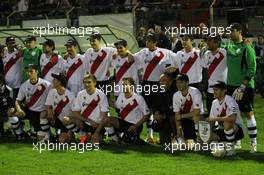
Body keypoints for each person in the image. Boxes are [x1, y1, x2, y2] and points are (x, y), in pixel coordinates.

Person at [134, 33, 176, 143]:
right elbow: (132, 57)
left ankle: (167, 133)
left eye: (149, 41)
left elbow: (178, 57)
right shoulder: (143, 52)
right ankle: (149, 135)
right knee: (147, 109)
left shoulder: (165, 52)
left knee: (159, 109)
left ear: (155, 42)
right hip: (146, 84)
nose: (147, 43)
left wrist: (173, 68)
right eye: (146, 41)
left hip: (159, 84)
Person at [226, 23, 257, 153]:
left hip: (244, 86)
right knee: (234, 114)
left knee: (248, 114)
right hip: (231, 85)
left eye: (232, 31)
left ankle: (253, 143)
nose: (230, 33)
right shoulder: (228, 45)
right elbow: (216, 46)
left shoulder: (247, 47)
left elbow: (252, 68)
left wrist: (243, 85)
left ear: (239, 31)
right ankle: (238, 141)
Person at [94, 77, 149, 144]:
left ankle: (132, 137)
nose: (124, 87)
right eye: (123, 85)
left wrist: (136, 126)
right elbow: (116, 106)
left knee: (129, 142)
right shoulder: (121, 95)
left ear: (131, 86)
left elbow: (146, 115)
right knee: (106, 120)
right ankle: (115, 139)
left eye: (126, 85)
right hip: (123, 122)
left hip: (134, 125)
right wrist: (106, 97)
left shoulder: (139, 98)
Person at [207, 81, 244, 157]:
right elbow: (212, 121)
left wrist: (216, 118)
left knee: (227, 123)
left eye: (216, 90)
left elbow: (232, 118)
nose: (214, 92)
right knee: (207, 136)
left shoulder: (230, 100)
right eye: (213, 90)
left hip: (237, 131)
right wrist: (210, 133)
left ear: (224, 90)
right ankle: (221, 147)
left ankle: (231, 149)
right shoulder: (214, 103)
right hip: (226, 131)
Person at [15, 64, 51, 140]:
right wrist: (19, 109)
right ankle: (20, 133)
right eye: (28, 71)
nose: (29, 73)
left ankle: (47, 133)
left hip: (41, 113)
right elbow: (18, 100)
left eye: (31, 71)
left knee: (41, 138)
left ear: (37, 72)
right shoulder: (24, 85)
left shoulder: (46, 84)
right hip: (30, 111)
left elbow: (53, 98)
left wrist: (49, 110)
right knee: (12, 113)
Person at [72, 74, 109, 143]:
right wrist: (88, 121)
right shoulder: (80, 94)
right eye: (85, 82)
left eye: (89, 82)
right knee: (67, 120)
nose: (86, 84)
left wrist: (96, 132)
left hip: (98, 125)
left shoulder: (101, 95)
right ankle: (84, 135)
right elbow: (75, 112)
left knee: (95, 142)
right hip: (86, 123)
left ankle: (113, 138)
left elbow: (104, 117)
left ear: (94, 83)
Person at [43, 72, 79, 142]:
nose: (52, 80)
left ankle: (77, 134)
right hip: (56, 119)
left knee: (62, 140)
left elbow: (75, 114)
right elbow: (47, 105)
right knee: (43, 114)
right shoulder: (52, 92)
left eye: (54, 79)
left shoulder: (70, 96)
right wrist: (49, 110)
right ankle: (48, 136)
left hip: (67, 122)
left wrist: (70, 131)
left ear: (59, 82)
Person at [173, 74, 203, 142]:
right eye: (177, 82)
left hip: (199, 118)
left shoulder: (195, 92)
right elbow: (177, 115)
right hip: (186, 119)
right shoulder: (176, 95)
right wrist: (178, 129)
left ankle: (199, 140)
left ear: (187, 82)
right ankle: (181, 136)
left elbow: (197, 112)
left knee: (196, 117)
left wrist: (181, 116)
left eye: (181, 82)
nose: (178, 84)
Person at [203, 35, 227, 113]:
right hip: (210, 88)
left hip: (222, 87)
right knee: (211, 111)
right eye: (208, 41)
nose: (207, 43)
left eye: (210, 41)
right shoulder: (206, 54)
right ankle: (214, 125)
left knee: (224, 111)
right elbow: (204, 66)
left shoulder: (224, 52)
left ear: (217, 43)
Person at [152, 72, 177, 145]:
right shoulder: (157, 92)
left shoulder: (175, 93)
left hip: (173, 118)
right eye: (160, 80)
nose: (161, 82)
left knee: (173, 119)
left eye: (164, 80)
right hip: (163, 120)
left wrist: (163, 116)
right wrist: (156, 113)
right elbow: (154, 106)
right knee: (164, 142)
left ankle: (176, 136)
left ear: (170, 81)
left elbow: (175, 111)